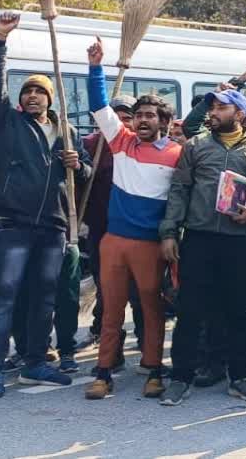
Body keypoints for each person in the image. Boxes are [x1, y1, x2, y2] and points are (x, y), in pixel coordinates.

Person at [0, 12, 92, 399]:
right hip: (14, 222)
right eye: (27, 91)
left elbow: (83, 173)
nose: (31, 96)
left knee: (46, 295)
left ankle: (35, 363)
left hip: (54, 225)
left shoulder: (67, 130)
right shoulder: (7, 122)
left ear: (50, 98)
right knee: (4, 294)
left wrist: (81, 164)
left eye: (39, 92)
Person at [158, 86, 246, 406]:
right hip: (200, 239)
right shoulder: (196, 147)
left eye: (221, 108)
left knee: (239, 311)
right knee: (189, 312)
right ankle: (181, 378)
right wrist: (169, 233)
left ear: (239, 114)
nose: (213, 113)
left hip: (242, 243)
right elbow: (179, 190)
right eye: (212, 108)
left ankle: (240, 378)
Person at [83, 37, 182, 400]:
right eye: (138, 115)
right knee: (111, 309)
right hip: (114, 241)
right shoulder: (121, 142)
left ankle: (153, 370)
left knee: (152, 308)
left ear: (165, 122)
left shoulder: (177, 154)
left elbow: (181, 199)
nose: (141, 120)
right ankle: (103, 372)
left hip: (151, 244)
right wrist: (96, 67)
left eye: (149, 116)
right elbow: (99, 105)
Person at [75, 95, 141, 358]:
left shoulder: (140, 146)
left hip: (135, 229)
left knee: (139, 290)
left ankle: (145, 340)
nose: (123, 124)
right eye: (118, 118)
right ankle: (108, 342)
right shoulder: (90, 144)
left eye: (128, 118)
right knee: (107, 288)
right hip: (101, 228)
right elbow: (79, 181)